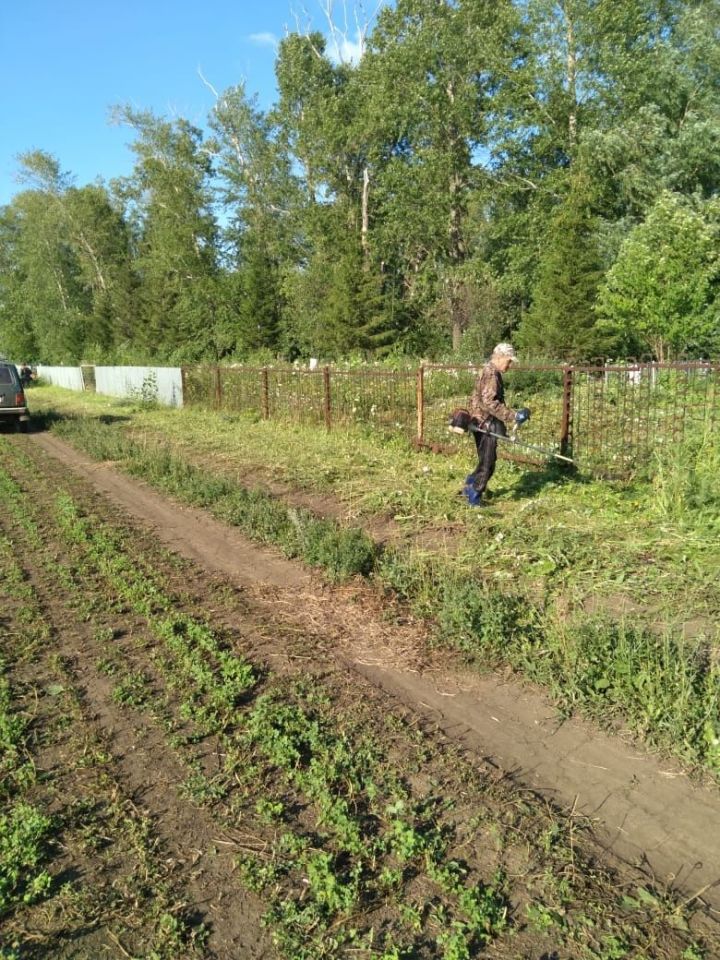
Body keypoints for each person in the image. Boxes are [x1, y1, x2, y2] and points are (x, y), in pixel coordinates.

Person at [462, 343, 530, 506]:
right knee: (488, 463)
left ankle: (469, 485)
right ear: (499, 357)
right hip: (486, 424)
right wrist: (513, 415)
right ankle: (475, 495)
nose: (510, 365)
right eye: (509, 361)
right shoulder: (492, 374)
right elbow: (489, 403)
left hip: (480, 421)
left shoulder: (488, 370)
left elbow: (476, 397)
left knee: (485, 459)